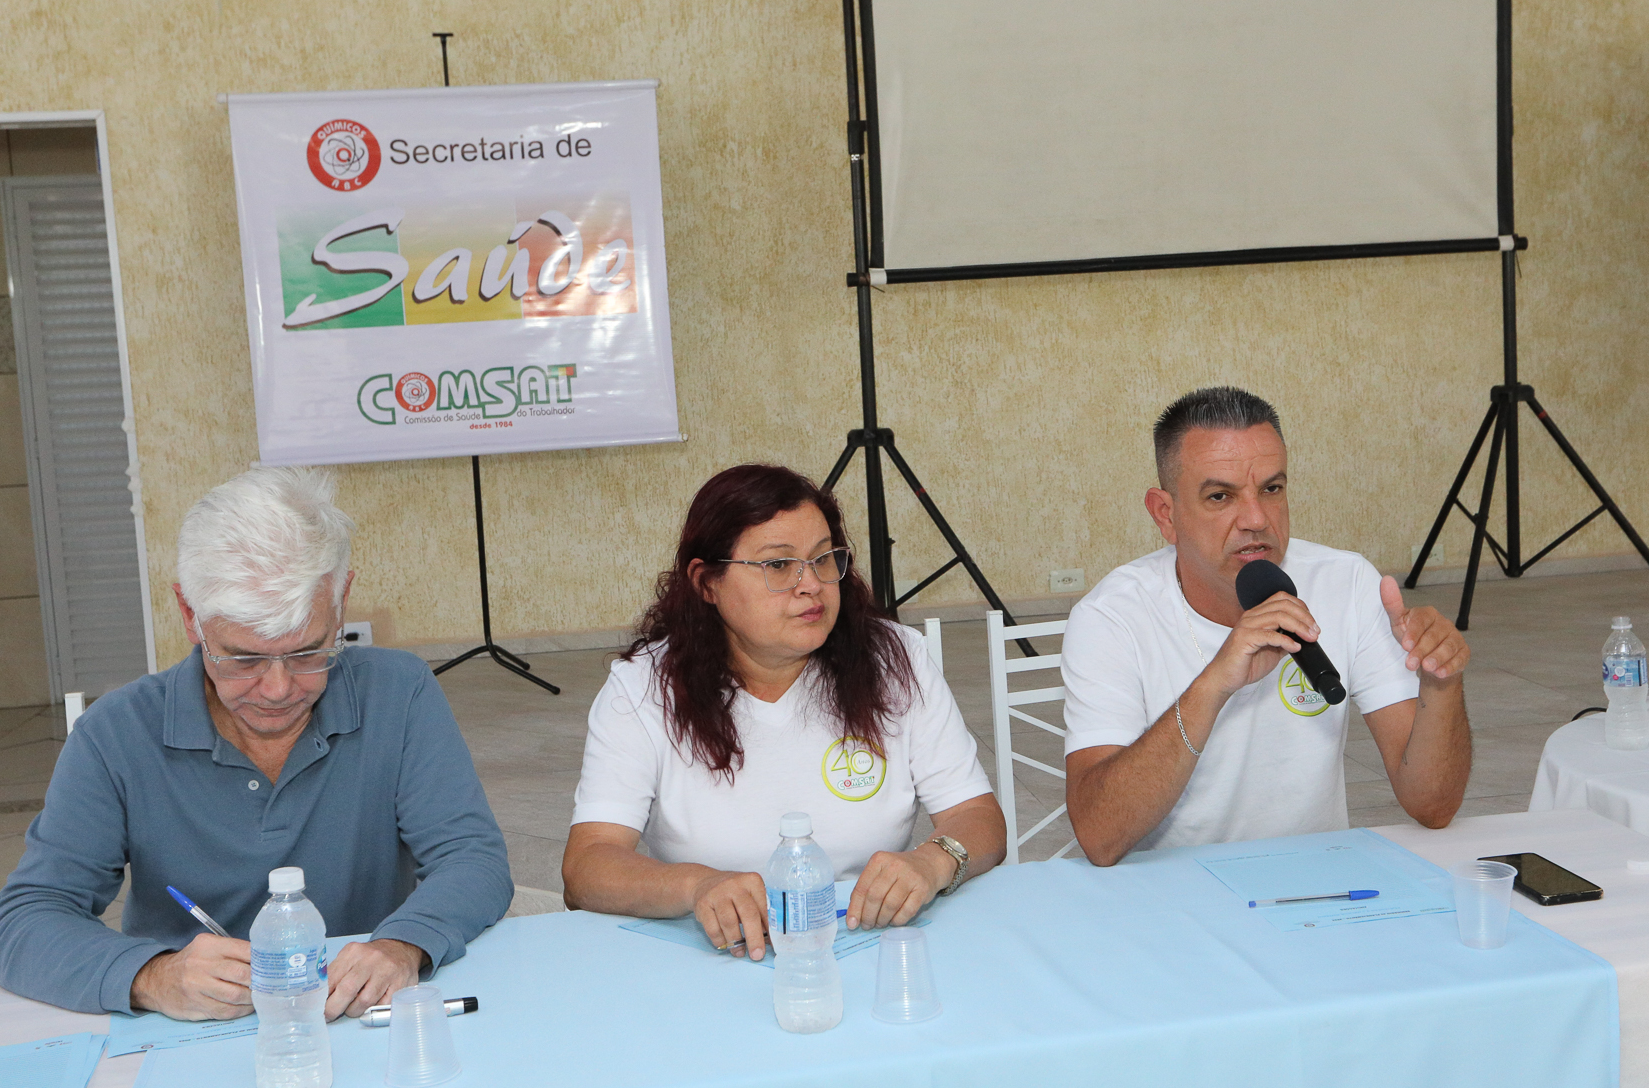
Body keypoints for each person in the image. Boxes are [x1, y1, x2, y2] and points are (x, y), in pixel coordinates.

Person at [0, 467, 513, 1020]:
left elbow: (472, 858)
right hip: (184, 1038)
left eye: (311, 652)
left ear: (342, 601)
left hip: (358, 1022)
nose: (280, 689)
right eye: (243, 659)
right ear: (191, 616)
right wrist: (153, 976)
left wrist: (404, 945)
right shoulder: (116, 735)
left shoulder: (398, 694)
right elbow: (25, 920)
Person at [563, 464, 1005, 959]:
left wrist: (934, 861)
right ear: (706, 581)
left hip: (866, 943)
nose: (810, 585)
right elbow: (588, 868)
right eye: (778, 566)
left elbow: (977, 817)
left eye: (823, 560)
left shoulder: (894, 660)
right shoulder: (645, 687)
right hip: (713, 954)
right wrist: (696, 887)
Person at [1062, 387, 1472, 866]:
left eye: (1272, 490)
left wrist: (1440, 684)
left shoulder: (1347, 582)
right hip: (1170, 899)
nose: (1256, 519)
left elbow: (1432, 806)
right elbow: (1099, 836)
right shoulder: (1111, 617)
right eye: (1221, 496)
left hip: (1313, 886)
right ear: (1166, 514)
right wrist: (1214, 684)